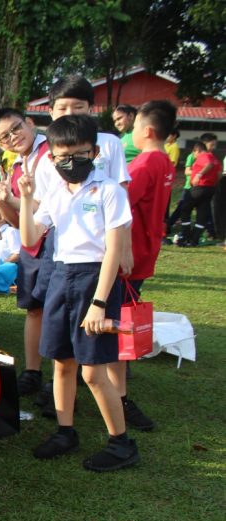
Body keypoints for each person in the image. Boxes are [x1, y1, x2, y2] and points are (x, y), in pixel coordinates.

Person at [17, 114, 139, 472]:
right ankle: (65, 431)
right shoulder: (55, 190)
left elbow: (114, 252)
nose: (70, 164)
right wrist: (25, 199)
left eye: (79, 155)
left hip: (94, 281)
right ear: (51, 158)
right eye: (62, 157)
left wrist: (100, 303)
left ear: (95, 152)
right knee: (62, 363)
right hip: (61, 275)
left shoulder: (110, 191)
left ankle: (121, 443)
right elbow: (29, 239)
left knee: (92, 371)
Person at [104, 100, 177, 433]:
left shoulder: (145, 164)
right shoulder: (166, 162)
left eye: (133, 128)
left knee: (117, 322)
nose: (130, 133)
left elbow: (120, 210)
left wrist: (124, 251)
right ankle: (116, 385)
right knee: (123, 319)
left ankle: (117, 394)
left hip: (129, 260)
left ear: (147, 131)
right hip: (146, 255)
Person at [0, 108, 52, 397]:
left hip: (58, 244)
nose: (13, 137)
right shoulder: (15, 167)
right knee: (34, 308)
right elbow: (15, 221)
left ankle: (66, 375)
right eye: (5, 136)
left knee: (63, 311)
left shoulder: (52, 154)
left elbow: (52, 209)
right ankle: (33, 372)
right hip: (32, 246)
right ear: (0, 145)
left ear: (30, 123)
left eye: (16, 129)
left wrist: (14, 197)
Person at [173, 133, 221, 246]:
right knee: (202, 213)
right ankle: (194, 239)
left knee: (185, 209)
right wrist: (213, 183)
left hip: (199, 187)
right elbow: (218, 173)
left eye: (194, 154)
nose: (194, 157)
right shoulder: (215, 159)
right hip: (210, 189)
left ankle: (185, 235)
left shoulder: (204, 156)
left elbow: (208, 165)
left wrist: (199, 175)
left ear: (197, 151)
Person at [166, 140, 205, 238]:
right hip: (189, 187)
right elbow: (187, 171)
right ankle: (169, 225)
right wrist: (200, 173)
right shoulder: (191, 157)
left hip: (199, 187)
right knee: (181, 208)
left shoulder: (204, 159)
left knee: (200, 209)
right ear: (195, 151)